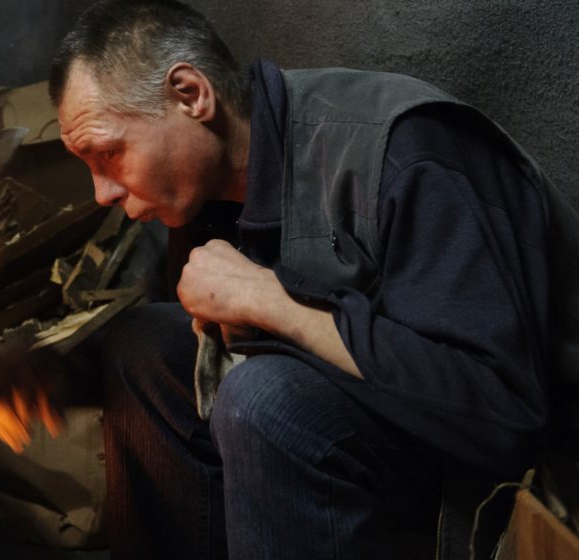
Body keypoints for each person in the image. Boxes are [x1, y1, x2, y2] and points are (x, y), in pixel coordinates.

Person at [48, 1, 578, 558]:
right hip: (394, 420)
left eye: (109, 153)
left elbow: (502, 411)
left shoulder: (407, 150)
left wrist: (271, 303)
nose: (101, 192)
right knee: (142, 346)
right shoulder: (207, 189)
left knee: (264, 401)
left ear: (191, 95)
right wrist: (56, 372)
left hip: (504, 458)